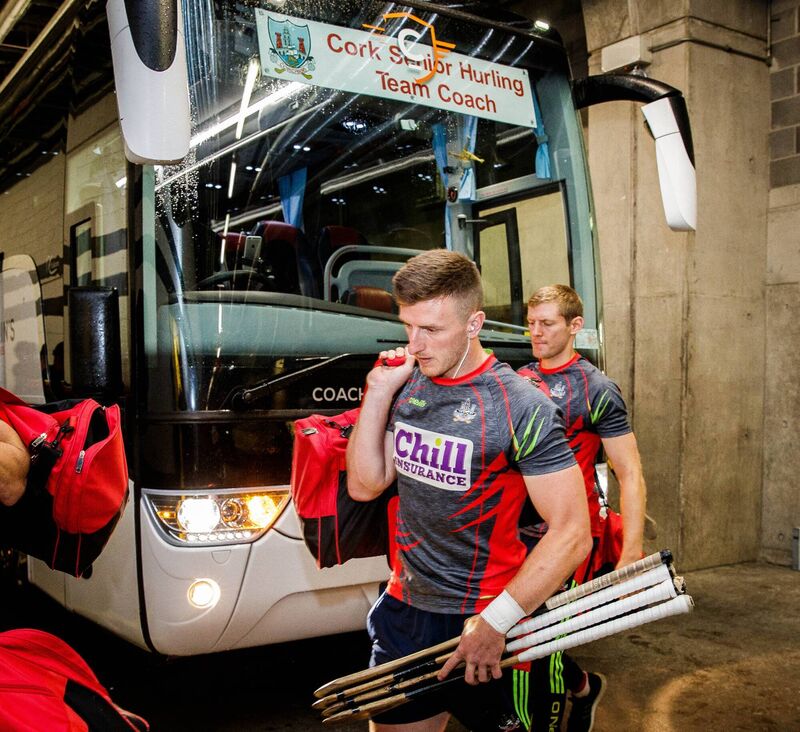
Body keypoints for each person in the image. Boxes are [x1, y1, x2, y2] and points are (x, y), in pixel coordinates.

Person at [347, 250, 591, 732]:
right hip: (407, 609)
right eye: (407, 326)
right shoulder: (407, 383)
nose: (414, 344)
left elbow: (572, 533)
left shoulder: (521, 406)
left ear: (474, 323)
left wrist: (497, 621)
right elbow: (365, 484)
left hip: (490, 617)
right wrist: (378, 391)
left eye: (431, 330)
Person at [519, 284, 648, 732]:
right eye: (531, 323)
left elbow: (630, 472)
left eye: (547, 324)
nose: (536, 333)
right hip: (514, 532)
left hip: (567, 534)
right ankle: (585, 687)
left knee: (542, 645)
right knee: (518, 633)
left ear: (575, 326)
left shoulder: (596, 389)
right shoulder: (519, 378)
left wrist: (630, 554)